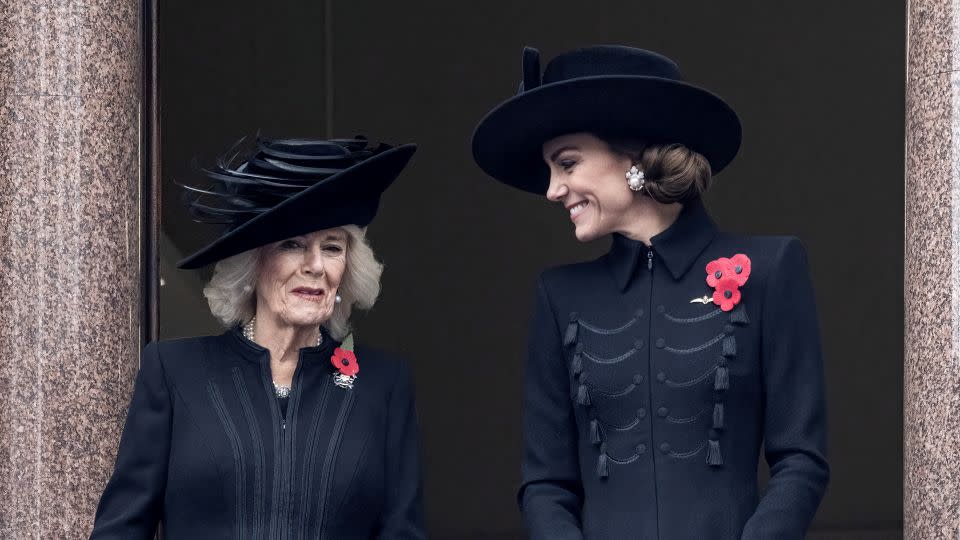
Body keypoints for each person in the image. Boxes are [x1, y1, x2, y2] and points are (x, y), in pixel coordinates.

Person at [471, 45, 829, 539]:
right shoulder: (559, 296)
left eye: (567, 163)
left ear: (633, 157)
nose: (552, 189)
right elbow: (546, 484)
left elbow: (801, 459)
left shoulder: (771, 269)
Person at [91, 136, 425, 539]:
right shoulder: (174, 372)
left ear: (347, 270)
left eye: (332, 247)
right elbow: (121, 530)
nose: (315, 265)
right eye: (293, 244)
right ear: (253, 264)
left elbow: (402, 532)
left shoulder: (383, 385)